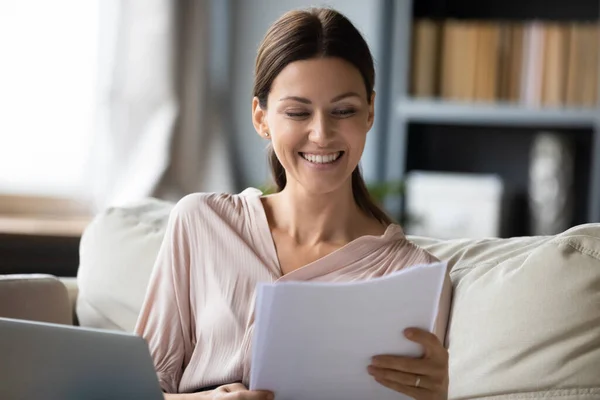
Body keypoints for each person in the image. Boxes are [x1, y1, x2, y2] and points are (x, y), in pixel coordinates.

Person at [135, 7, 452, 400]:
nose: (321, 134)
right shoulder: (201, 223)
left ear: (369, 112)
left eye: (344, 111)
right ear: (261, 117)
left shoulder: (413, 275)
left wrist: (436, 397)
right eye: (297, 112)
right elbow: (135, 389)